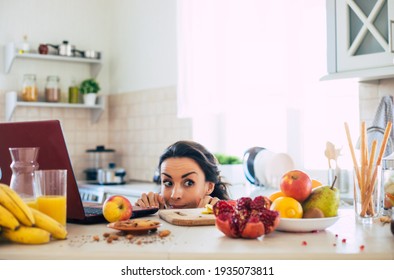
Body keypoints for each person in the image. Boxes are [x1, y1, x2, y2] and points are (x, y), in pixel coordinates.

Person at [135, 140, 230, 209]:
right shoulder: (156, 218)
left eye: (189, 183)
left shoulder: (227, 224)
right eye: (168, 183)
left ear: (209, 187)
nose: (175, 195)